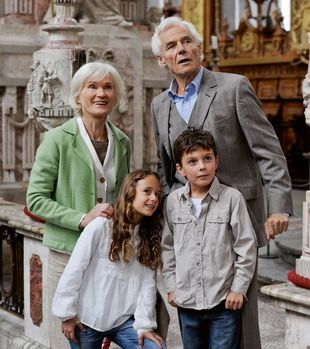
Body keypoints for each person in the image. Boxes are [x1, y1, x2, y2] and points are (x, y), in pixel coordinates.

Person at [150, 17, 293, 349]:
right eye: (171, 46)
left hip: (236, 216)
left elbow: (268, 151)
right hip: (190, 221)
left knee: (238, 311)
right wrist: (171, 210)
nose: (181, 49)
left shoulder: (234, 86)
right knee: (194, 311)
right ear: (162, 60)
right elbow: (166, 165)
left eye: (187, 41)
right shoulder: (159, 105)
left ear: (199, 48)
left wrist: (279, 207)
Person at [26, 61, 131, 348]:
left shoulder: (122, 141)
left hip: (106, 257)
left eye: (108, 87)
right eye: (92, 87)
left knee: (103, 333)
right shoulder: (56, 139)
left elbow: (122, 198)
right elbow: (35, 200)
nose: (101, 93)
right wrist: (82, 218)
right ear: (78, 96)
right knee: (71, 337)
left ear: (115, 95)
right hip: (66, 253)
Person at [162, 128, 257, 348]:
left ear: (217, 160)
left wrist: (238, 288)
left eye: (207, 158)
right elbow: (167, 247)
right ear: (180, 169)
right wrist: (171, 286)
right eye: (192, 161)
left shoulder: (232, 198)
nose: (202, 166)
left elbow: (245, 247)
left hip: (223, 302)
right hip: (187, 301)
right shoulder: (173, 201)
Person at [52, 169, 167, 349]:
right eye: (147, 191)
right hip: (87, 320)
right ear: (130, 192)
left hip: (124, 321)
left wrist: (145, 325)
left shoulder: (148, 237)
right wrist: (66, 315)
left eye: (157, 194)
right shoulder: (101, 226)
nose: (154, 199)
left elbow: (147, 284)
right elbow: (75, 268)